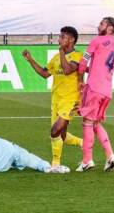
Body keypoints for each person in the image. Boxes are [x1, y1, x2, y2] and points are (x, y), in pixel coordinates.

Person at [22, 26, 83, 171]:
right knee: (61, 135)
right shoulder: (56, 58)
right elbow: (45, 74)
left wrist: (61, 51)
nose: (59, 39)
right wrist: (31, 60)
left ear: (72, 40)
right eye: (60, 36)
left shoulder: (78, 56)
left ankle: (56, 164)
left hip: (70, 100)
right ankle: (84, 143)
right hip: (56, 100)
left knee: (54, 131)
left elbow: (68, 70)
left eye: (63, 37)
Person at [76, 17, 114, 172]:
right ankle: (110, 156)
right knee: (95, 123)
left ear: (110, 29)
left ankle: (87, 160)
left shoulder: (97, 40)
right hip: (106, 91)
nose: (98, 26)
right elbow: (103, 68)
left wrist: (80, 78)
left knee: (87, 123)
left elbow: (84, 61)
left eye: (102, 24)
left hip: (94, 87)